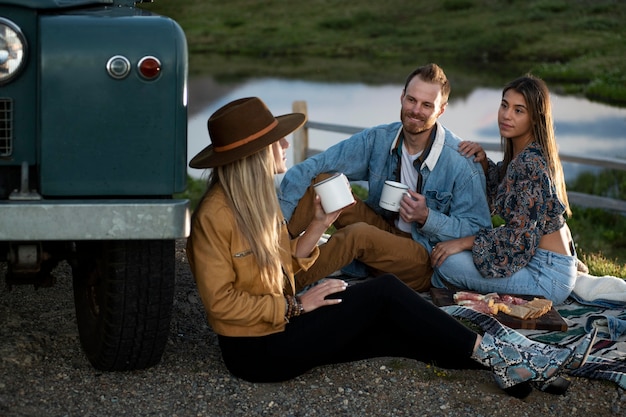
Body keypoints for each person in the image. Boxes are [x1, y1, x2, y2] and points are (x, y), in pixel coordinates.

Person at [186, 96, 595, 400]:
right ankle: (512, 356)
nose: (285, 148)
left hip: (282, 326)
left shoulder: (257, 203)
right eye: (277, 143)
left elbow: (284, 264)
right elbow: (221, 306)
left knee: (396, 334)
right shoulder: (213, 217)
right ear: (252, 156)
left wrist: (318, 224)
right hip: (257, 350)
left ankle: (516, 366)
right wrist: (296, 306)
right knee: (382, 294)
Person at [278, 63, 492, 292]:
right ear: (402, 97)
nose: (416, 110)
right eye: (412, 100)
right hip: (383, 231)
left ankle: (281, 285)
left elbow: (479, 229)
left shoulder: (460, 161)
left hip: (423, 256)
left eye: (427, 105)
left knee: (358, 235)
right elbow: (313, 166)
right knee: (322, 181)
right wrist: (276, 229)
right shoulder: (379, 138)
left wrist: (427, 216)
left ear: (441, 110)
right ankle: (271, 256)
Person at [430, 74, 578, 304]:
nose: (507, 115)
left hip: (547, 277)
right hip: (547, 262)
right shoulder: (524, 155)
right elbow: (504, 193)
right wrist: (485, 163)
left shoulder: (530, 164)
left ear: (535, 119)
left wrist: (462, 241)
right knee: (452, 257)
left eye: (519, 110)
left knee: (447, 264)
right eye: (504, 105)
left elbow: (518, 238)